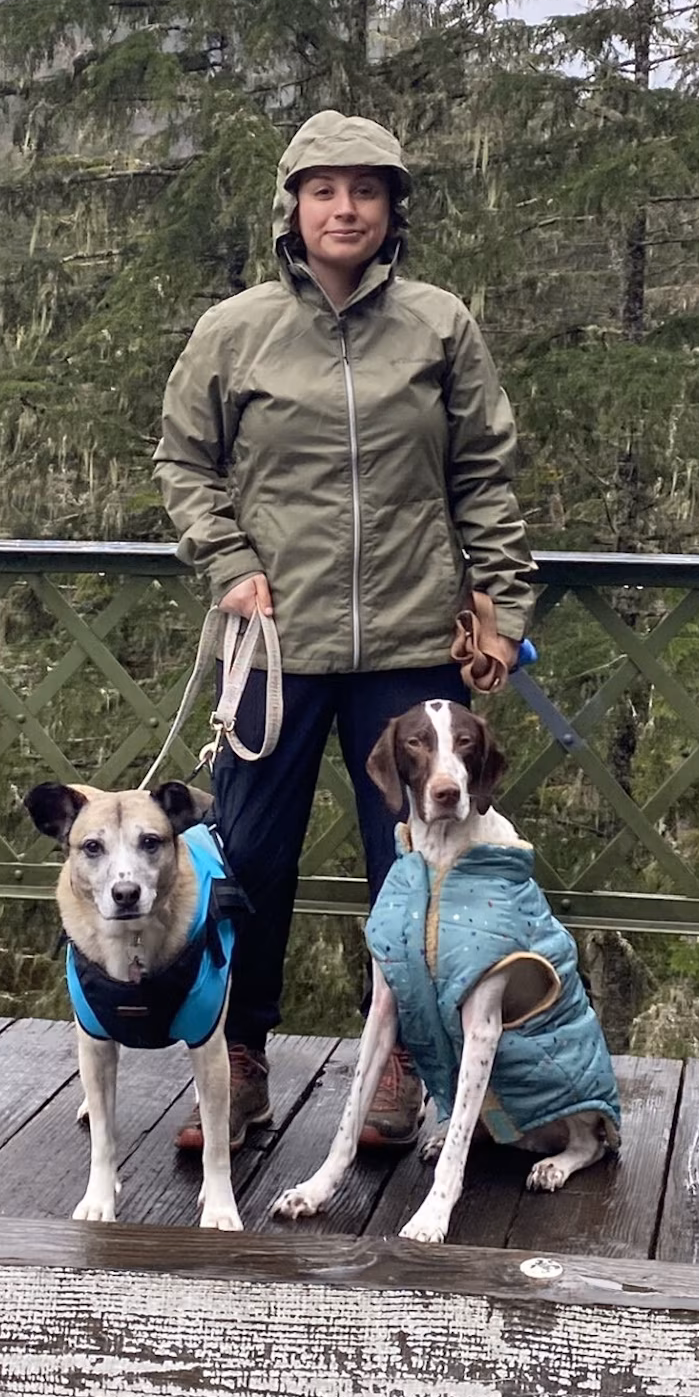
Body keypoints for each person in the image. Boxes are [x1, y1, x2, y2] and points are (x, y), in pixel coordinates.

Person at [153, 109, 535, 1150]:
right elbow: (183, 462)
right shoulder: (236, 329)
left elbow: (483, 476)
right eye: (324, 190)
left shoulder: (439, 325)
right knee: (249, 858)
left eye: (367, 190)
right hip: (274, 643)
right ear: (292, 206)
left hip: (411, 644)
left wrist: (503, 607)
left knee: (413, 862)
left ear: (392, 209)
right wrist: (229, 561)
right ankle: (237, 1058)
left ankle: (405, 1061)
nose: (345, 208)